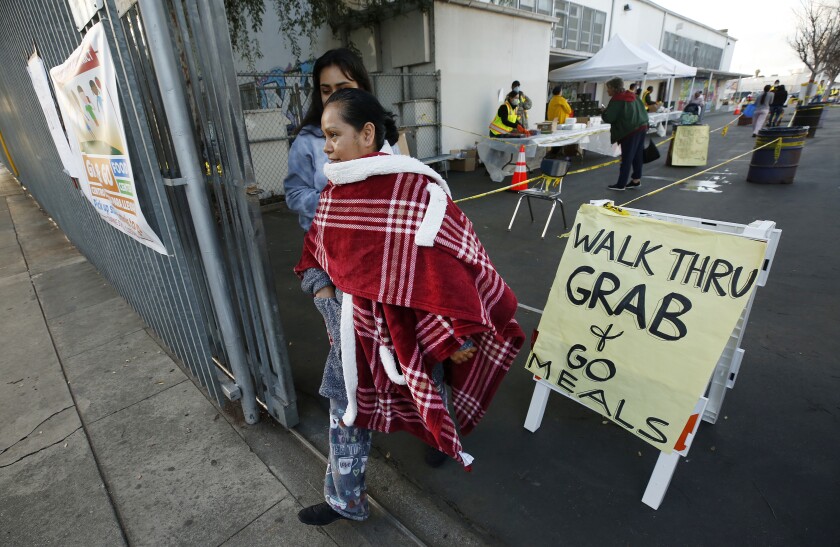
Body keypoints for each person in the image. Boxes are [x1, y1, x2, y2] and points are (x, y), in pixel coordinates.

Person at [295, 88, 525, 526]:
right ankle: (346, 499)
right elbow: (315, 254)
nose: (326, 147)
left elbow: (453, 259)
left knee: (428, 391)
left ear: (366, 133)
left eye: (333, 134)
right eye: (323, 136)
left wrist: (455, 330)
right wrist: (327, 303)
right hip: (350, 333)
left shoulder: (416, 189)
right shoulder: (335, 194)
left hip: (417, 331)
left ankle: (440, 437)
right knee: (346, 411)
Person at [284, 48, 373, 232]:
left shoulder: (383, 131)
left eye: (343, 89)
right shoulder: (307, 140)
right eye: (326, 90)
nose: (334, 97)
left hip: (377, 242)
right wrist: (340, 205)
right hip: (327, 245)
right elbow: (295, 194)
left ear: (362, 87)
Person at [600, 77, 649, 191]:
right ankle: (636, 180)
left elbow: (609, 118)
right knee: (637, 156)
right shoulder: (633, 96)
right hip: (641, 127)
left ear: (613, 88)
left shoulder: (617, 99)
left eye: (608, 88)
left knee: (627, 158)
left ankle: (621, 184)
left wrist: (603, 112)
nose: (607, 91)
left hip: (629, 131)